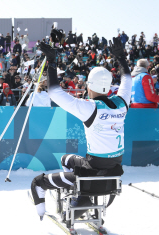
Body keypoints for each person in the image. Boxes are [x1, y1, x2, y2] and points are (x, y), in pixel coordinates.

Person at [30, 37, 131, 221]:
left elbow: (54, 92)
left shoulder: (89, 107)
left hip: (91, 170)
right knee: (66, 159)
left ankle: (47, 211)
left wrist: (52, 62)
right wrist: (121, 58)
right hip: (113, 169)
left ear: (89, 86)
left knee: (37, 182)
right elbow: (127, 81)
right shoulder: (122, 104)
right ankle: (80, 198)